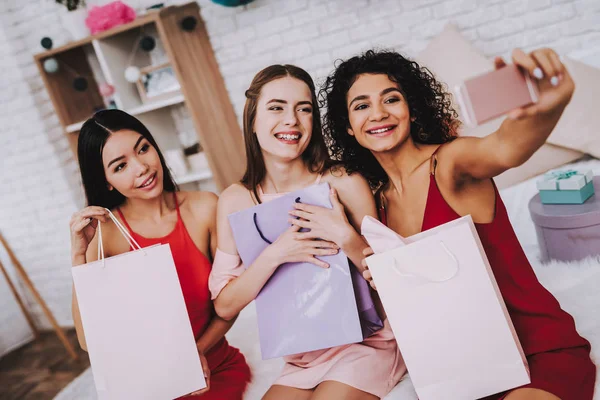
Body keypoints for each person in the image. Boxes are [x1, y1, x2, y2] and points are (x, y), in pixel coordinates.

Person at [320, 48, 596, 400]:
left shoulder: (451, 164)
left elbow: (504, 148)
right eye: (361, 105)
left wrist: (547, 107)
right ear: (348, 126)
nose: (378, 113)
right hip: (461, 370)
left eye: (391, 98)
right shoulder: (377, 207)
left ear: (411, 108)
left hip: (534, 353)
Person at [209, 64, 405, 400]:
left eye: (304, 109)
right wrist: (276, 254)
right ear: (252, 119)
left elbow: (393, 279)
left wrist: (345, 236)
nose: (292, 120)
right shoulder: (236, 200)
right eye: (276, 108)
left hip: (366, 343)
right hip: (301, 355)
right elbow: (225, 306)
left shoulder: (343, 182)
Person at [69, 109, 251, 399]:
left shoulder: (205, 208)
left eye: (143, 148)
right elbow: (88, 341)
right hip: (152, 383)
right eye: (120, 166)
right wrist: (79, 256)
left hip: (215, 369)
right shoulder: (106, 235)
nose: (141, 167)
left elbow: (230, 303)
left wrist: (197, 352)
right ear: (105, 181)